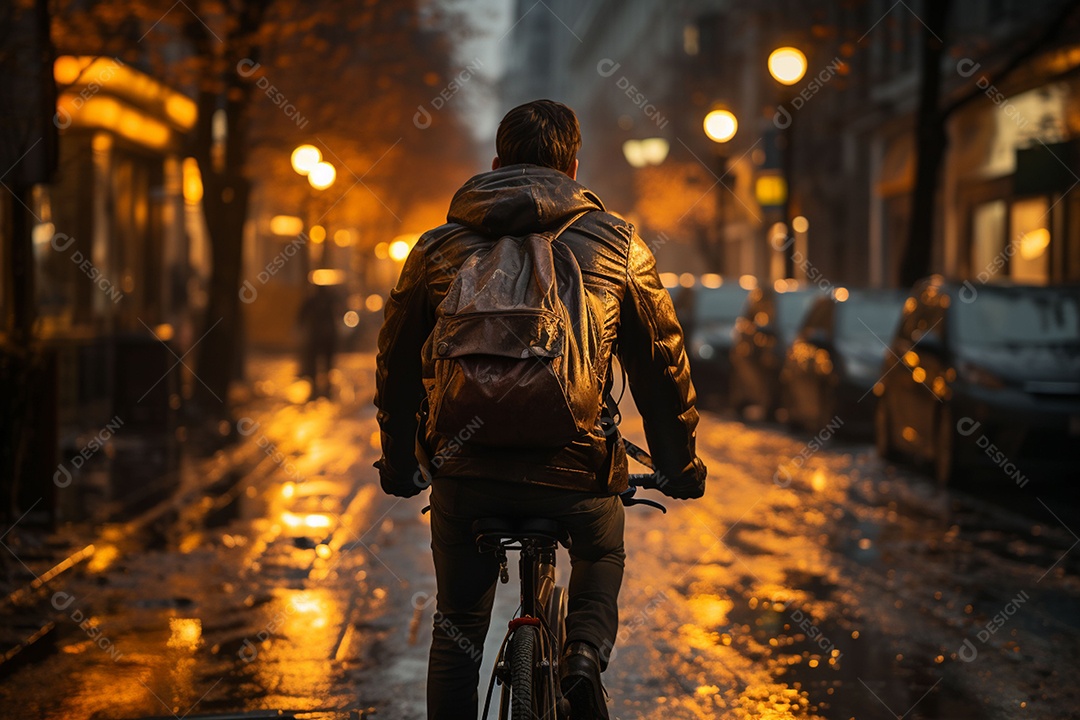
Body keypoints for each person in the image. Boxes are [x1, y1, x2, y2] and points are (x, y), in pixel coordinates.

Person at [374, 99, 706, 720]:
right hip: (576, 475)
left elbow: (394, 366)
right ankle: (583, 650)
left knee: (458, 627)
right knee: (602, 549)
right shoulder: (618, 245)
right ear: (575, 165)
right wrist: (678, 465)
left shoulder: (437, 248)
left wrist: (400, 462)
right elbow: (661, 366)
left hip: (466, 475)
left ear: (496, 163)